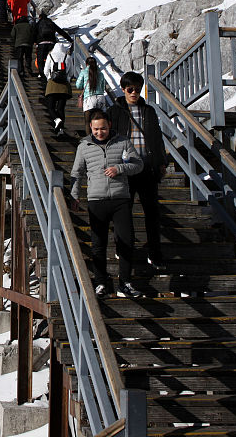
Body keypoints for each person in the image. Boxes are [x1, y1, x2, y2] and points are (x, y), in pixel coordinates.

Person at [67, 108, 144, 297]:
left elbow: (138, 165)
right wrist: (74, 195)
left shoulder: (123, 142)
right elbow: (77, 173)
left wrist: (119, 168)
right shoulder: (84, 146)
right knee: (98, 243)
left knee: (125, 240)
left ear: (109, 125)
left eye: (102, 128)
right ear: (90, 129)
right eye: (95, 129)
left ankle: (125, 283)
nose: (99, 132)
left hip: (120, 199)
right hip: (96, 200)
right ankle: (100, 282)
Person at [108, 72, 167, 270]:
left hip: (147, 167)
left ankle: (155, 253)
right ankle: (123, 249)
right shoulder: (114, 112)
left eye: (137, 89)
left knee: (152, 212)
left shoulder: (148, 111)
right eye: (130, 89)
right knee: (123, 212)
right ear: (123, 89)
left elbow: (157, 138)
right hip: (125, 169)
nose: (134, 93)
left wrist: (161, 162)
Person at [43, 41, 73, 136]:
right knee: (61, 108)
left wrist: (49, 78)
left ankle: (56, 119)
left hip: (52, 84)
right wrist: (67, 79)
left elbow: (46, 70)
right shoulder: (67, 57)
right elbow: (71, 72)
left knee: (50, 106)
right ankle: (61, 130)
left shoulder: (50, 56)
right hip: (64, 86)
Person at [34, 11, 73, 82]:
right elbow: (60, 31)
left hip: (41, 44)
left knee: (40, 60)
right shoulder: (51, 23)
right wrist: (70, 39)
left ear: (40, 17)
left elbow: (33, 33)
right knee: (51, 58)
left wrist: (34, 42)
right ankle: (52, 74)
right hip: (51, 44)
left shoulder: (38, 23)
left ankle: (43, 76)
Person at [76, 56, 109, 127]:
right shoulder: (100, 73)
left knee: (88, 122)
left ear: (86, 64)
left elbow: (78, 85)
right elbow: (103, 87)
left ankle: (89, 137)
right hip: (100, 98)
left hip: (89, 99)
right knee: (101, 121)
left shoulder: (84, 72)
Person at [10, 14, 34, 79]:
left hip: (19, 44)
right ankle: (28, 69)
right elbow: (33, 34)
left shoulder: (16, 26)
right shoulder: (30, 26)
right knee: (28, 57)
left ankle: (21, 71)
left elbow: (12, 35)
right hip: (28, 44)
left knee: (19, 58)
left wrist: (15, 41)